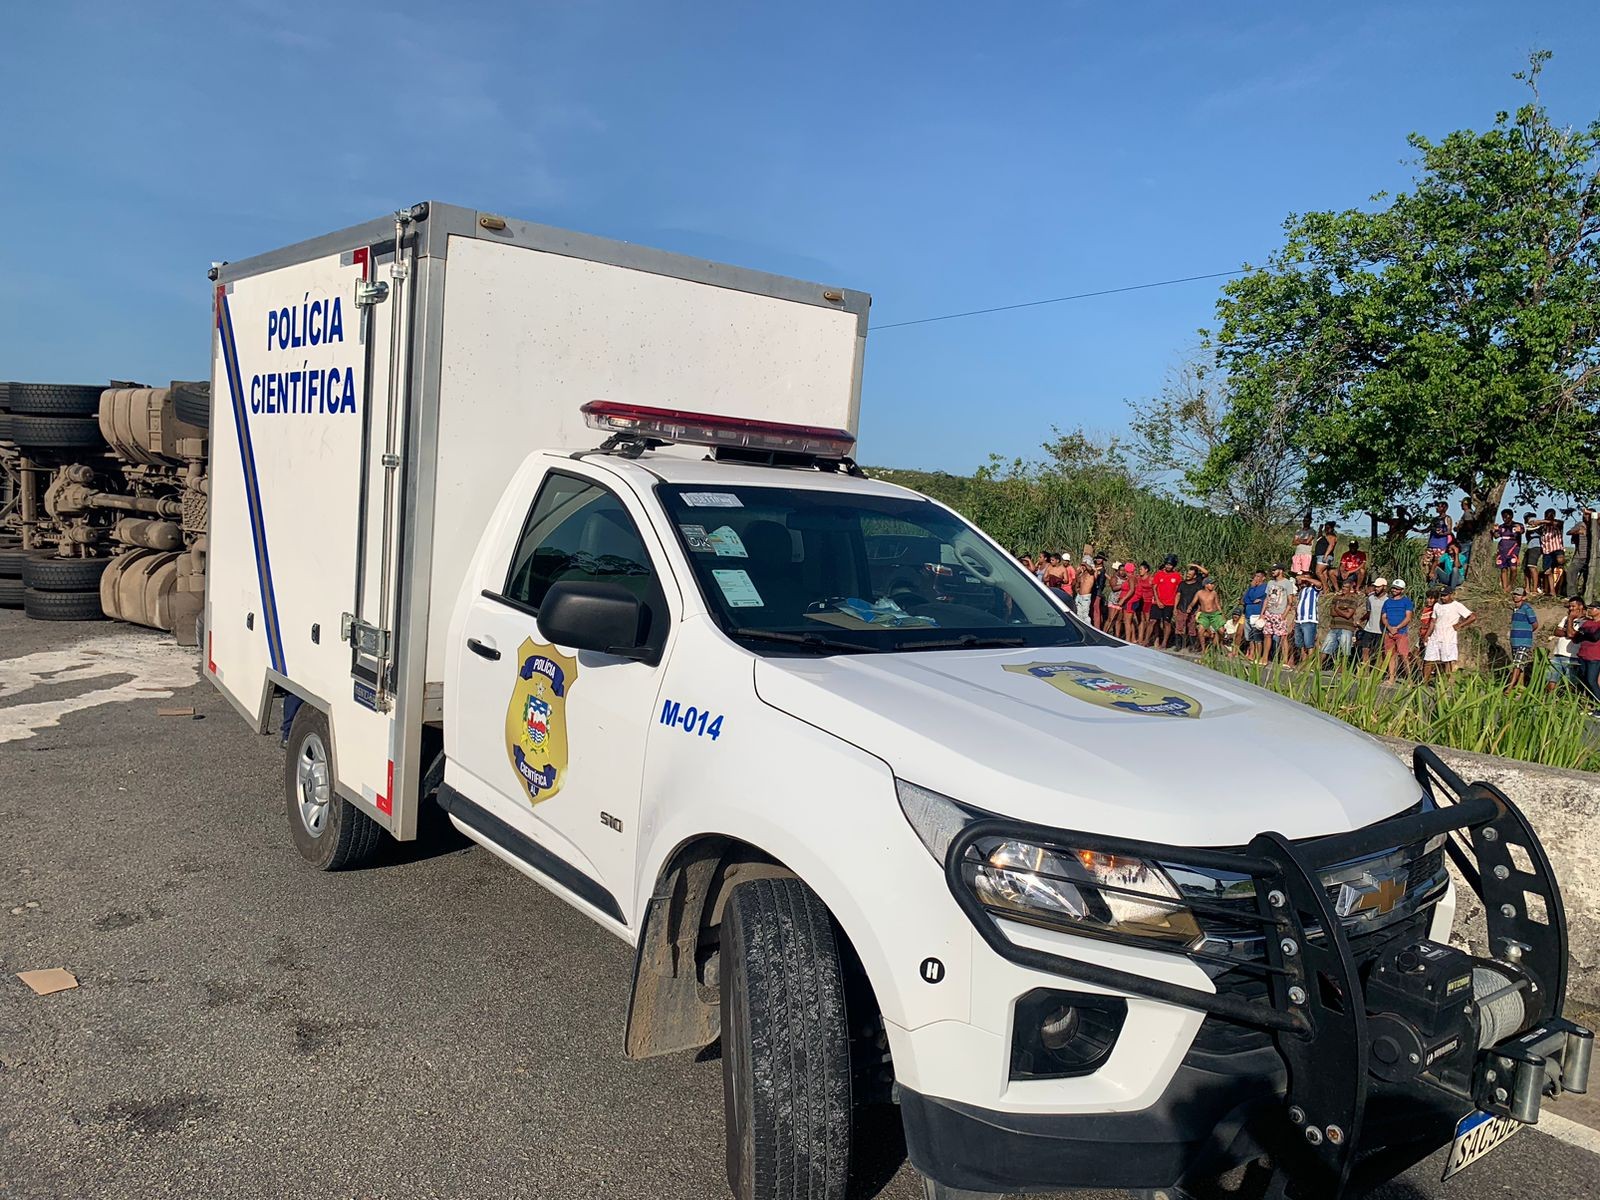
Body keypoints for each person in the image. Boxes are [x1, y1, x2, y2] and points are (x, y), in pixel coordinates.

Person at [1421, 585, 1476, 681]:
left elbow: (1472, 617)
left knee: (1447, 661)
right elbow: (1433, 621)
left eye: (1445, 595)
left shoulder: (1457, 605)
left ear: (1451, 595)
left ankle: (1447, 684)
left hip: (1448, 638)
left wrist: (1460, 625)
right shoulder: (1437, 605)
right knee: (1429, 660)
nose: (1442, 597)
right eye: (1441, 595)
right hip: (1435, 637)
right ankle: (1424, 682)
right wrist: (1427, 635)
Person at [1322, 579, 1363, 666]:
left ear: (1350, 588)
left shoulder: (1353, 599)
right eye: (1343, 586)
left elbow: (1348, 615)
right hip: (1334, 626)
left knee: (1345, 650)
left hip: (1346, 628)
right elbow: (1331, 613)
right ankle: (1316, 667)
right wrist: (1343, 611)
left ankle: (1342, 670)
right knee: (1325, 648)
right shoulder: (1336, 598)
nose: (1344, 588)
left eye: (1346, 587)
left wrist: (1337, 609)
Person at [1550, 598, 1587, 693]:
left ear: (1581, 606)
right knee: (1551, 681)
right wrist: (1569, 632)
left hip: (1572, 657)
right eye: (1569, 606)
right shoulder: (1565, 618)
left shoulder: (1585, 622)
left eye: (1573, 606)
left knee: (1570, 684)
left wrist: (1570, 620)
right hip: (1558, 654)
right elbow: (1556, 631)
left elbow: (1572, 635)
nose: (1571, 608)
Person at [1381, 579, 1413, 684]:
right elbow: (1384, 617)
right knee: (1390, 655)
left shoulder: (1406, 601)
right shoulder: (1387, 602)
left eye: (1397, 588)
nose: (1395, 590)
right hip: (1389, 632)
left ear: (1402, 590)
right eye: (1394, 588)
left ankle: (1409, 679)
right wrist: (1390, 628)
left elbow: (1408, 618)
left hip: (1401, 632)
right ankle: (1391, 678)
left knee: (1404, 655)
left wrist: (1397, 628)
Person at [1505, 588, 1538, 691]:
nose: (1515, 596)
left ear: (1523, 597)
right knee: (1520, 665)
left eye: (1518, 595)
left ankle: (1510, 687)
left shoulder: (1527, 608)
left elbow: (1535, 624)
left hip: (1524, 641)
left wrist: (1526, 633)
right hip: (1515, 641)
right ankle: (1520, 688)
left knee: (1517, 664)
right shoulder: (1515, 609)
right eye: (1514, 594)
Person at [1262, 565, 1296, 663]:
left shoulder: (1287, 583)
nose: (1272, 572)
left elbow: (1290, 601)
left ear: (1280, 571)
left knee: (1283, 636)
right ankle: (1264, 657)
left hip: (1280, 613)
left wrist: (1284, 614)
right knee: (1267, 635)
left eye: (1274, 570)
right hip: (1269, 612)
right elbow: (1267, 598)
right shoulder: (1270, 582)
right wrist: (1262, 613)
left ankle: (1285, 659)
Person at [1151, 556, 1184, 649]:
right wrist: (1157, 600)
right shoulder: (1159, 574)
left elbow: (1179, 591)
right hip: (1157, 602)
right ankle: (1155, 639)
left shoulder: (1177, 576)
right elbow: (1154, 587)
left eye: (1170, 565)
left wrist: (1176, 606)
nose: (1168, 566)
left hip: (1170, 603)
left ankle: (1164, 642)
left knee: (1166, 622)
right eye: (1167, 564)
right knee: (1153, 621)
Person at [1292, 572, 1321, 666]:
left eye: (1307, 578)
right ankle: (1303, 662)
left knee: (1309, 643)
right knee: (1300, 644)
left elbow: (1319, 584)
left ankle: (1309, 665)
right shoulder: (1302, 590)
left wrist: (1306, 578)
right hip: (1299, 620)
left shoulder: (1314, 589)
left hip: (1309, 620)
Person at [1174, 564, 1205, 652]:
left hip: (1193, 609)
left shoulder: (1198, 585)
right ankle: (1178, 645)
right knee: (1179, 627)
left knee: (1191, 628)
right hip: (1181, 607)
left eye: (1190, 575)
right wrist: (1175, 608)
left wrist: (1198, 610)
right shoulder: (1182, 584)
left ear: (1194, 576)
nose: (1187, 576)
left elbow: (1199, 599)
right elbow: (1178, 595)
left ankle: (1192, 646)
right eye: (1187, 574)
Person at [1357, 577, 1387, 664]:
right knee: (1365, 649)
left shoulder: (1388, 600)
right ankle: (1365, 670)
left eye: (1378, 587)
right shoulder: (1370, 598)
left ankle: (1377, 672)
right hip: (1369, 629)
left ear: (1384, 587)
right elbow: (1369, 612)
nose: (1376, 588)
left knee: (1379, 652)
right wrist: (1361, 620)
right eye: (1375, 587)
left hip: (1380, 630)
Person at [1492, 509, 1523, 594]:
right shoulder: (1501, 527)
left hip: (1513, 549)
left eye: (1506, 516)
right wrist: (1494, 530)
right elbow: (1496, 536)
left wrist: (1519, 530)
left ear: (1511, 516)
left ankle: (1510, 585)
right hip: (1502, 550)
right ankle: (1504, 588)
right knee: (1503, 569)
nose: (1504, 518)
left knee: (1513, 568)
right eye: (1503, 516)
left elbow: (1522, 530)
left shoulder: (1517, 525)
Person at [1575, 600, 1600, 705]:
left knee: (1591, 680)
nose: (1589, 610)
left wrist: (1584, 633)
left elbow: (1595, 637)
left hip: (1594, 656)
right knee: (1583, 681)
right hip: (1582, 655)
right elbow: (1577, 637)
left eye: (1592, 608)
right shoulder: (1586, 622)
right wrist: (1585, 633)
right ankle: (1590, 704)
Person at [1241, 570, 1269, 660]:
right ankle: (1251, 653)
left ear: (1263, 578)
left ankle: (1258, 655)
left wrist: (1252, 589)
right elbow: (1245, 600)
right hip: (1248, 613)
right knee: (1249, 637)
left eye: (1258, 576)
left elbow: (1253, 597)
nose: (1255, 578)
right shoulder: (1252, 587)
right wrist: (1251, 589)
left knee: (1257, 636)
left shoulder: (1264, 587)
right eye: (1255, 576)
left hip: (1256, 614)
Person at [1193, 579, 1225, 651]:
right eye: (1211, 584)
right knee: (1200, 631)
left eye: (1213, 584)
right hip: (1204, 615)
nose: (1213, 585)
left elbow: (1217, 604)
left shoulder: (1214, 593)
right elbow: (1193, 602)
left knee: (1221, 631)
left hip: (1215, 614)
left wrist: (1222, 614)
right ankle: (1204, 649)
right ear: (1206, 585)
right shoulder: (1199, 593)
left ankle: (1220, 643)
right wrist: (1189, 607)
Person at [1423, 501, 1453, 579]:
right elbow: (1427, 529)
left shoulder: (1447, 518)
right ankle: (1428, 577)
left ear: (1445, 508)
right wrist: (1417, 530)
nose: (1437, 508)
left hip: (1440, 544)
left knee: (1437, 561)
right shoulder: (1435, 519)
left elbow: (1449, 531)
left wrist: (1442, 533)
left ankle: (1433, 575)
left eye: (1439, 506)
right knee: (1425, 562)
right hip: (1432, 543)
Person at [1130, 561, 1156, 645]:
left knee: (1147, 620)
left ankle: (1147, 638)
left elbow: (1155, 589)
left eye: (1141, 569)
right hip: (1140, 601)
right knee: (1140, 620)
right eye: (1139, 569)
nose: (1139, 570)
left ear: (1146, 570)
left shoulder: (1151, 578)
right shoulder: (1138, 578)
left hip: (1148, 601)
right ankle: (1140, 638)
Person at [1540, 508, 1564, 594]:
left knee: (1560, 564)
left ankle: (1560, 589)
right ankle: (1552, 591)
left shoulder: (1558, 523)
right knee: (1547, 571)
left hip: (1557, 548)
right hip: (1547, 550)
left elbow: (1556, 523)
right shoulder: (1542, 526)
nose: (1549, 517)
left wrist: (1542, 521)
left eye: (1551, 515)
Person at [1313, 521, 1339, 588]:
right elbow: (1319, 538)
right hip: (1320, 556)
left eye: (1328, 528)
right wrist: (1320, 529)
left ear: (1332, 528)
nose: (1326, 529)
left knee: (1318, 572)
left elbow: (1331, 545)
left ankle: (1325, 588)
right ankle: (1325, 588)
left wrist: (1326, 555)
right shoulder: (1325, 536)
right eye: (1326, 528)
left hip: (1324, 556)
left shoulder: (1331, 536)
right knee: (1324, 573)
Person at [1522, 512, 1543, 594]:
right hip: (1530, 546)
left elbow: (1533, 523)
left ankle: (1534, 589)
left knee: (1532, 567)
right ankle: (1527, 588)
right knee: (1526, 568)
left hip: (1535, 546)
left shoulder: (1533, 521)